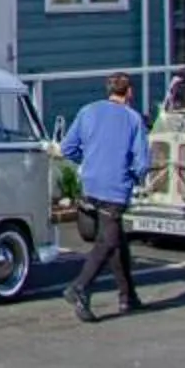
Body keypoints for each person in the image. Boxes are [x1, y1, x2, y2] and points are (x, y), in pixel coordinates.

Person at [61, 73, 154, 322]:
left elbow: (67, 147)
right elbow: (142, 162)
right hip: (114, 187)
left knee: (116, 240)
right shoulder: (133, 120)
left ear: (108, 89)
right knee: (108, 241)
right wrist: (133, 178)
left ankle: (128, 295)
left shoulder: (87, 111)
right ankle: (79, 287)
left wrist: (89, 162)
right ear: (130, 92)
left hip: (90, 185)